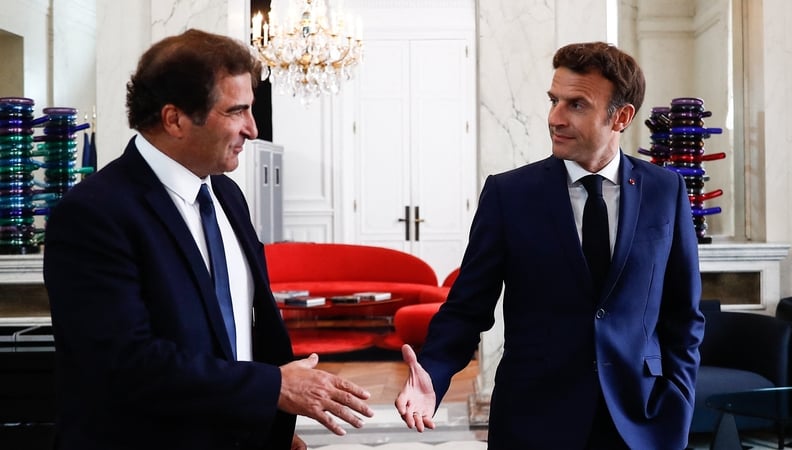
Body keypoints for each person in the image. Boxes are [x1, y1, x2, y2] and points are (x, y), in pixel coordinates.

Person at [43, 29, 373, 450]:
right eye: (236, 112)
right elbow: (125, 365)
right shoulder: (93, 214)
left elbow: (239, 336)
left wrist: (265, 428)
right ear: (174, 119)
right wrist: (274, 388)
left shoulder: (228, 195)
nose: (253, 130)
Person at [395, 41, 705, 449]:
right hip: (533, 418)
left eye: (576, 105)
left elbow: (683, 314)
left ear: (622, 117)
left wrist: (679, 401)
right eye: (554, 100)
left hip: (642, 419)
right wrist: (432, 376)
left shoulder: (666, 190)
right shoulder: (509, 194)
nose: (555, 117)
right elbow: (466, 309)